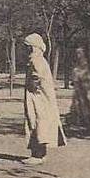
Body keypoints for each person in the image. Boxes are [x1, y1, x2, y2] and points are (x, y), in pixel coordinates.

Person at [22, 32, 66, 165]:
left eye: (28, 47)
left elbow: (37, 77)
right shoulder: (37, 59)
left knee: (37, 122)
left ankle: (38, 154)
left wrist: (32, 85)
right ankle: (39, 152)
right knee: (38, 122)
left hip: (39, 98)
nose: (27, 50)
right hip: (39, 97)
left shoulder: (37, 60)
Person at [67, 47, 90, 131]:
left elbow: (87, 76)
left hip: (86, 88)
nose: (78, 55)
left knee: (89, 104)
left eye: (80, 53)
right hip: (80, 89)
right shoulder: (76, 66)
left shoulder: (85, 64)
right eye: (77, 53)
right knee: (79, 105)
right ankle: (82, 122)